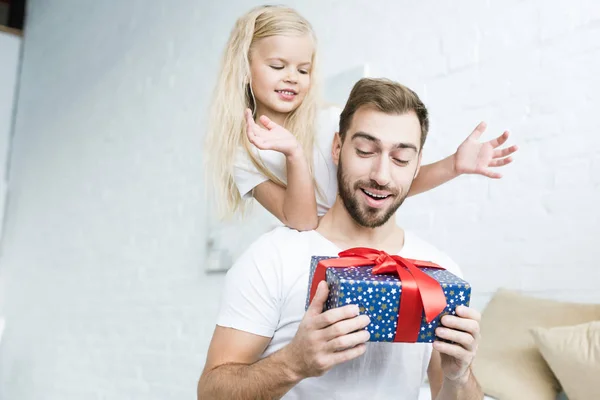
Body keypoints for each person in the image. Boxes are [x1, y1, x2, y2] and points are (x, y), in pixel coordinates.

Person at [198, 78, 484, 399]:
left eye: (401, 158)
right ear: (338, 148)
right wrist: (294, 363)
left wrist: (460, 377)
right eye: (365, 150)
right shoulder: (273, 257)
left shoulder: (439, 273)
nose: (381, 174)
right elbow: (211, 393)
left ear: (417, 165)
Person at [204, 5, 517, 231]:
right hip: (314, 256)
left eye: (303, 69)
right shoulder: (243, 155)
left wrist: (453, 165)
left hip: (362, 246)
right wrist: (294, 154)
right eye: (277, 66)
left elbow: (383, 185)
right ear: (245, 69)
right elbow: (301, 221)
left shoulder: (330, 121)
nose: (292, 78)